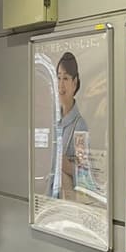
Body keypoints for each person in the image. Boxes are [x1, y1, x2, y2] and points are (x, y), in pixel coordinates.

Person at [48, 52, 89, 199]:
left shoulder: (80, 126)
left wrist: (68, 167)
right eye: (58, 78)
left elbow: (85, 176)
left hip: (66, 206)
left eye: (65, 78)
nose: (60, 85)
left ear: (75, 82)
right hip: (49, 200)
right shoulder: (52, 120)